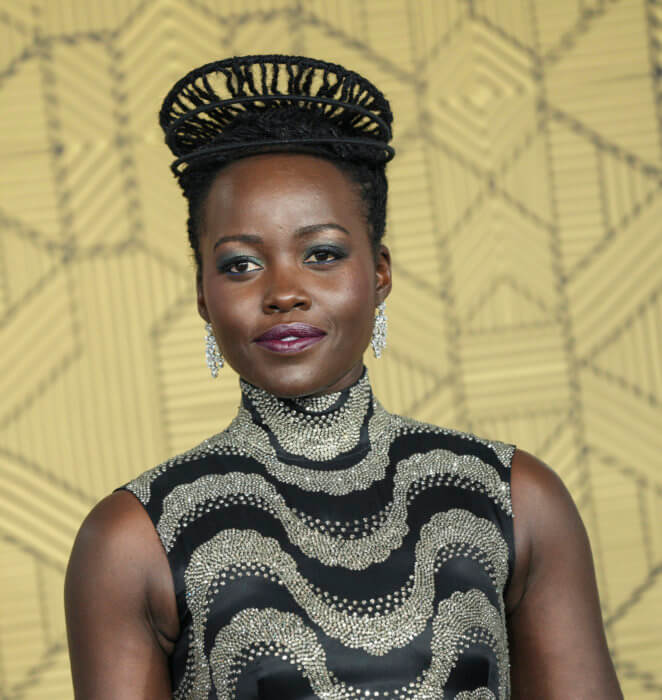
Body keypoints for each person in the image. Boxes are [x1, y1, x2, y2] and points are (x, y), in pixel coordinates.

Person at [64, 55, 623, 699]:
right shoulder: (134, 539)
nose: (283, 292)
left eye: (321, 254)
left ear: (379, 272)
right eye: (241, 265)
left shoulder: (516, 498)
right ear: (201, 296)